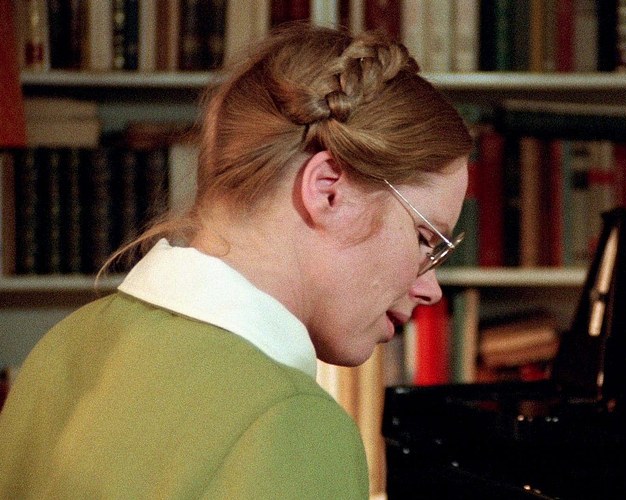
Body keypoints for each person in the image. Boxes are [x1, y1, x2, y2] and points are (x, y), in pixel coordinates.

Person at [0, 23, 473, 498]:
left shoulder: (63, 346)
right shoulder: (294, 425)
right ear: (329, 191)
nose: (430, 289)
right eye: (424, 239)